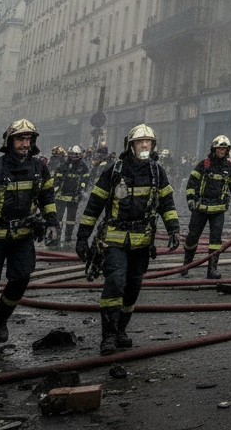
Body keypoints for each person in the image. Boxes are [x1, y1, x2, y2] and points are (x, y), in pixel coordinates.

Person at [76, 124, 180, 355]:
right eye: (140, 142)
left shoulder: (156, 172)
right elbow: (94, 205)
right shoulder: (114, 171)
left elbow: (167, 203)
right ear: (130, 145)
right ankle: (109, 335)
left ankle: (121, 329)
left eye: (149, 142)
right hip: (114, 239)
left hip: (142, 241)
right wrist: (83, 237)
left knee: (133, 287)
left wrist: (174, 230)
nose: (145, 145)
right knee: (115, 282)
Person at [0, 120, 57, 342]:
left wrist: (51, 223)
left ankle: (1, 320)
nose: (24, 144)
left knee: (21, 279)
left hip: (22, 236)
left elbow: (47, 197)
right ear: (9, 142)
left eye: (28, 139)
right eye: (20, 139)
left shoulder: (39, 168)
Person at [182, 135, 231, 279]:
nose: (222, 151)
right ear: (214, 149)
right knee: (192, 237)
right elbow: (192, 183)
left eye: (224, 148)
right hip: (200, 208)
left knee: (215, 241)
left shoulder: (229, 167)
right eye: (219, 148)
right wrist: (190, 199)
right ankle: (186, 265)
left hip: (218, 210)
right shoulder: (204, 164)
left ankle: (212, 270)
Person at [53, 145, 89, 247]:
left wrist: (82, 191)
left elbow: (85, 180)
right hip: (61, 197)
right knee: (58, 219)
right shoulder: (63, 166)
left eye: (76, 155)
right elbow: (57, 180)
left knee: (70, 220)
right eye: (72, 154)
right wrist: (56, 191)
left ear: (80, 155)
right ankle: (57, 236)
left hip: (74, 198)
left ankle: (68, 238)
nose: (74, 157)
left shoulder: (83, 168)